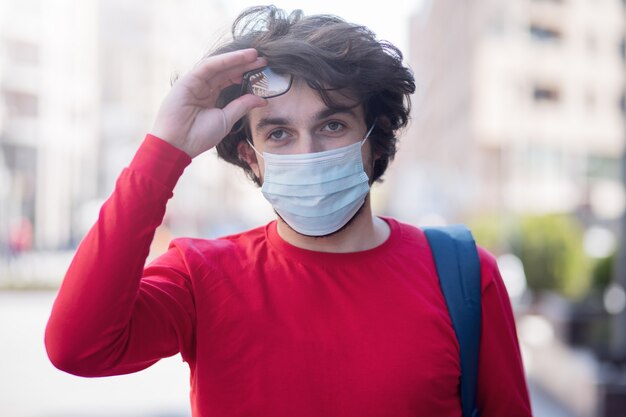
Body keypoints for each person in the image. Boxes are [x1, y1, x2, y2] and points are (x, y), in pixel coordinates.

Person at [45, 6, 532, 417]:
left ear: (373, 136)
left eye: (333, 125)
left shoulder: (466, 276)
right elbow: (78, 347)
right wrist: (164, 150)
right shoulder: (200, 277)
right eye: (278, 133)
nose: (307, 153)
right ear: (251, 156)